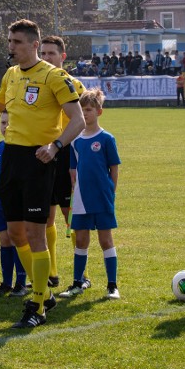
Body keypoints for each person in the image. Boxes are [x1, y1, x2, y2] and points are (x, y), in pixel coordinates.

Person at [0, 19, 84, 329]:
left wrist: (56, 146)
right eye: (10, 41)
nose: (11, 47)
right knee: (15, 234)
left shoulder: (55, 76)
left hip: (39, 159)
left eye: (17, 42)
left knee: (36, 233)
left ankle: (37, 303)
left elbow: (77, 119)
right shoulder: (11, 75)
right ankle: (43, 294)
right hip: (11, 157)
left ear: (34, 44)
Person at [58, 89, 121, 300]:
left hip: (102, 197)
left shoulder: (106, 138)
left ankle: (112, 286)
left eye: (89, 110)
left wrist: (110, 192)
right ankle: (77, 283)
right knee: (81, 240)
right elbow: (72, 170)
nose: (85, 114)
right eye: (82, 110)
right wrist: (74, 191)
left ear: (99, 112)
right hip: (81, 200)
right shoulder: (75, 140)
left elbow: (114, 168)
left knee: (106, 240)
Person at [39, 35, 86, 289]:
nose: (46, 58)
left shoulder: (75, 87)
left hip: (67, 155)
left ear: (63, 57)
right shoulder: (36, 85)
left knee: (73, 217)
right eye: (43, 54)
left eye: (51, 54)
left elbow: (87, 121)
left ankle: (81, 275)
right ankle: (52, 273)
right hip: (44, 154)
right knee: (46, 216)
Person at [0, 112, 29, 297]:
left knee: (18, 240)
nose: (5, 126)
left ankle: (21, 282)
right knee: (4, 241)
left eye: (9, 123)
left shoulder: (23, 149)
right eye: (2, 123)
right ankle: (6, 283)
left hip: (17, 204)